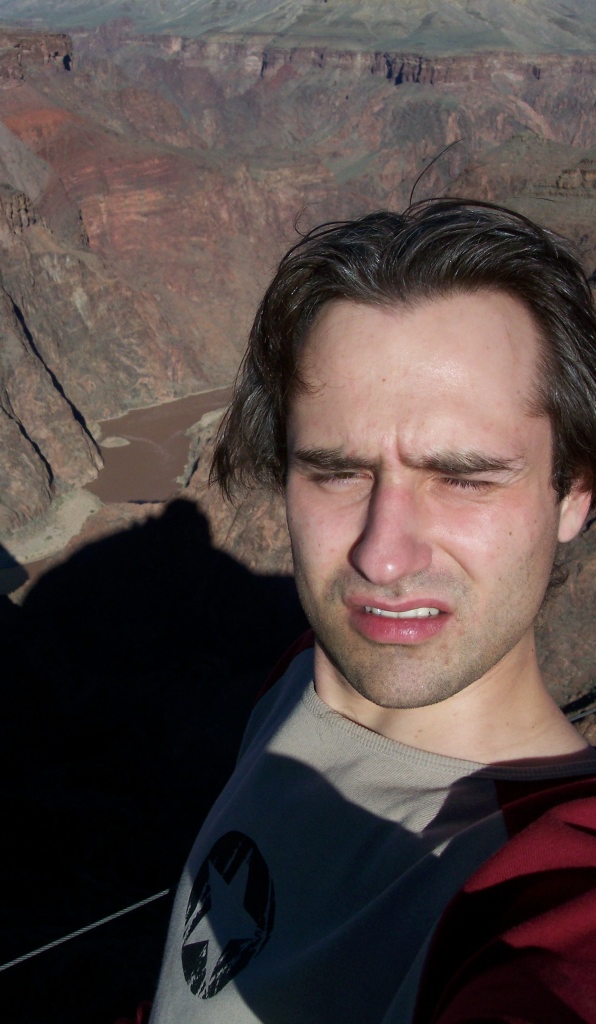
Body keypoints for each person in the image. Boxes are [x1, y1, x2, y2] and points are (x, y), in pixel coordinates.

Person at [149, 199, 596, 1022]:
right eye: (336, 472)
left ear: (572, 493)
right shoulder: (297, 681)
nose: (381, 557)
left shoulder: (553, 877)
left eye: (462, 478)